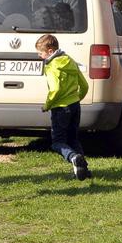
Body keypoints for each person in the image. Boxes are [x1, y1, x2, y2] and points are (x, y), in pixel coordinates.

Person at [37, 34, 92, 180]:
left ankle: (73, 158)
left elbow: (55, 89)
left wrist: (47, 105)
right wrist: (76, 99)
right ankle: (84, 170)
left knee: (57, 142)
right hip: (75, 106)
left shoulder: (51, 65)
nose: (39, 55)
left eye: (40, 52)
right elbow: (84, 85)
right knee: (73, 139)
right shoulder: (70, 61)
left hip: (60, 108)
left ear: (49, 51)